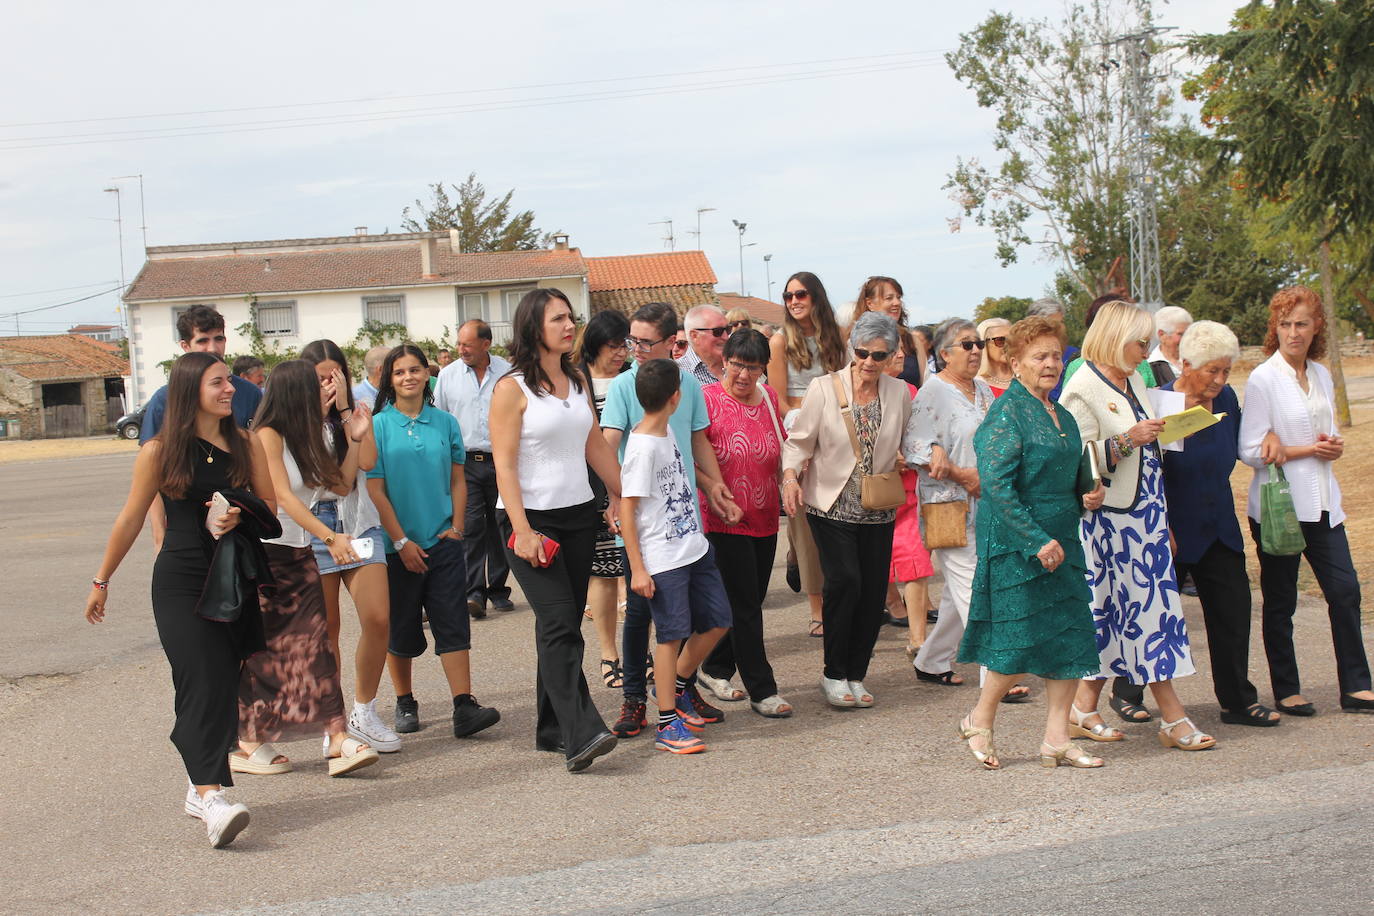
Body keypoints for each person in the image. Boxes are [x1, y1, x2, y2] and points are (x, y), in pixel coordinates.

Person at [85, 351, 278, 847]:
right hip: (179, 578)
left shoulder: (246, 442)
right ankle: (212, 798)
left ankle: (198, 785)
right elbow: (130, 518)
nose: (230, 389)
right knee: (200, 678)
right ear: (192, 389)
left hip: (231, 577)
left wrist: (237, 511)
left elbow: (270, 506)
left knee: (222, 680)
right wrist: (102, 580)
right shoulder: (159, 451)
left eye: (230, 381)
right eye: (218, 383)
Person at [1061, 301, 1214, 752]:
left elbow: (1152, 454)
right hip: (1108, 520)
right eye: (1140, 341)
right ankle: (1173, 717)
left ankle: (1083, 706)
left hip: (1144, 514)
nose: (1146, 351)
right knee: (1147, 616)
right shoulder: (1083, 384)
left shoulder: (1134, 380)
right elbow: (1076, 460)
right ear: (1114, 336)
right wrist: (1129, 439)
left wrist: (1160, 514)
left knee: (1119, 615)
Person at [955, 316, 1107, 770]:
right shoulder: (1007, 412)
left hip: (1064, 538)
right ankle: (979, 719)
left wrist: (1089, 491)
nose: (1050, 364)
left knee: (1069, 640)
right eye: (1039, 356)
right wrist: (1035, 541)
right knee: (1015, 643)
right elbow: (997, 487)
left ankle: (1057, 738)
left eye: (1056, 355)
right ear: (1015, 363)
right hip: (1019, 545)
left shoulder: (1059, 412)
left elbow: (1072, 470)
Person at [491, 289, 623, 772]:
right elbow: (504, 466)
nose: (570, 325)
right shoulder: (511, 389)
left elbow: (594, 444)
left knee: (558, 624)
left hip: (578, 515)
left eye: (571, 317)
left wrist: (621, 495)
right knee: (561, 624)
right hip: (531, 521)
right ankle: (581, 731)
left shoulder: (576, 378)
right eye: (558, 319)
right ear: (534, 328)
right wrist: (522, 529)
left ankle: (550, 727)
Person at [600, 301, 741, 740]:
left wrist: (716, 488)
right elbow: (608, 446)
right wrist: (612, 499)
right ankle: (639, 703)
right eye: (633, 341)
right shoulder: (627, 389)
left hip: (683, 525)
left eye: (645, 342)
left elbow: (696, 442)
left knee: (693, 620)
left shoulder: (687, 386)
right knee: (645, 618)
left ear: (670, 342)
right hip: (647, 529)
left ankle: (676, 692)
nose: (636, 349)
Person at [236, 360, 379, 778]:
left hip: (300, 552)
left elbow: (340, 485)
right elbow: (284, 497)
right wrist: (330, 537)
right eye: (319, 386)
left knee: (316, 644)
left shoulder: (315, 432)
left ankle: (337, 737)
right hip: (266, 555)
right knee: (266, 654)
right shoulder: (267, 436)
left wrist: (354, 438)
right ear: (297, 393)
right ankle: (247, 742)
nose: (328, 391)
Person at [1239, 285, 1372, 716]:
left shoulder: (1320, 374)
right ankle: (1286, 689)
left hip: (1324, 502)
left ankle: (1355, 686)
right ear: (1274, 329)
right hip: (1281, 508)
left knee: (1346, 590)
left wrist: (1331, 448)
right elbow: (1250, 449)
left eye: (1301, 324)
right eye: (1285, 324)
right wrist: (1302, 450)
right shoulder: (1263, 378)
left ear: (1317, 328)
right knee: (1282, 601)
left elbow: (1325, 434)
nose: (1293, 332)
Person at [365, 344, 501, 740]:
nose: (408, 377)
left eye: (414, 370)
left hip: (443, 541)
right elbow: (376, 489)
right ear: (388, 380)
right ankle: (405, 701)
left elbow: (458, 479)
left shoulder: (445, 422)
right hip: (396, 547)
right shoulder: (377, 426)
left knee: (452, 622)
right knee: (401, 629)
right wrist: (401, 540)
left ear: (427, 375)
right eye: (399, 372)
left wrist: (457, 527)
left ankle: (464, 705)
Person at [783, 311, 912, 708]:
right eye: (863, 352)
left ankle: (856, 673)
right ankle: (833, 673)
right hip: (830, 503)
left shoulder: (899, 392)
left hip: (878, 505)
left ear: (891, 355)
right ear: (852, 349)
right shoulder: (824, 388)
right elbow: (798, 442)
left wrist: (914, 455)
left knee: (873, 592)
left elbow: (910, 438)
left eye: (880, 354)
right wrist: (790, 477)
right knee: (845, 582)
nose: (870, 362)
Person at [1156, 322, 1278, 726]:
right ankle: (1129, 692)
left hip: (1218, 524)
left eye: (1226, 371)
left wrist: (1271, 438)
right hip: (1171, 529)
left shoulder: (1226, 397)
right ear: (1186, 363)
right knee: (1152, 614)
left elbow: (1243, 446)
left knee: (1233, 611)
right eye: (1213, 371)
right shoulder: (1162, 404)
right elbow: (1150, 473)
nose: (1220, 380)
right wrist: (1162, 527)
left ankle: (1237, 701)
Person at [904, 320, 1022, 696]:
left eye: (977, 344)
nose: (975, 351)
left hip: (988, 503)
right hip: (949, 507)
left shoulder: (984, 389)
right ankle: (998, 673)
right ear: (944, 354)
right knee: (977, 588)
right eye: (966, 344)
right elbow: (915, 448)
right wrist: (959, 472)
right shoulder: (932, 393)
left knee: (958, 596)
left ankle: (932, 659)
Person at [620, 359, 733, 753]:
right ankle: (667, 724)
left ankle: (679, 686)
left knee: (718, 620)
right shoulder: (641, 449)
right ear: (676, 397)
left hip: (694, 547)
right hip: (662, 558)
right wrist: (637, 568)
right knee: (670, 637)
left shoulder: (665, 430)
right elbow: (626, 510)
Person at [299, 339, 399, 752]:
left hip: (358, 522)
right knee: (327, 632)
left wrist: (343, 412)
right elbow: (321, 478)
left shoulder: (356, 413)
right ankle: (333, 721)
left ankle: (364, 709)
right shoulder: (295, 422)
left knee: (377, 618)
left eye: (334, 376)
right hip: (315, 528)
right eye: (321, 378)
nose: (328, 383)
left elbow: (369, 461)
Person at [695, 329, 793, 718]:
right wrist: (714, 489)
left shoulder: (768, 397)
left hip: (766, 515)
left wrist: (789, 480)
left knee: (747, 600)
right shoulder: (705, 400)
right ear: (724, 362)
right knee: (746, 605)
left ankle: (714, 668)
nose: (744, 375)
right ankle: (762, 688)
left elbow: (785, 444)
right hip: (723, 516)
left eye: (753, 368)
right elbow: (692, 452)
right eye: (737, 365)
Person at [140, 306, 265, 547]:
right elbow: (151, 480)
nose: (213, 348)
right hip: (185, 529)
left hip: (236, 530)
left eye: (218, 339)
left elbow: (261, 472)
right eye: (203, 340)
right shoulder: (163, 400)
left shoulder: (248, 392)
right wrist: (159, 534)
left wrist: (248, 515)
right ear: (185, 346)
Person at [767, 271, 847, 638]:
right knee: (805, 525)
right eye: (788, 296)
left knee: (840, 519)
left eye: (801, 294)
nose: (794, 301)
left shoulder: (838, 338)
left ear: (816, 297)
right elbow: (780, 399)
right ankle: (817, 608)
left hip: (838, 434)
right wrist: (803, 432)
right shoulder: (780, 342)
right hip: (799, 432)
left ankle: (830, 588)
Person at [435, 319, 515, 621]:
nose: (461, 349)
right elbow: (441, 418)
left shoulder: (506, 372)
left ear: (486, 344)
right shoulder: (448, 375)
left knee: (501, 524)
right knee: (470, 527)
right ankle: (474, 592)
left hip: (502, 461)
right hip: (466, 462)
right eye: (459, 343)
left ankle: (498, 588)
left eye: (467, 344)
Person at [577, 310, 631, 689]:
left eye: (625, 345)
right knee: (604, 573)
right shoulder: (575, 380)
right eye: (614, 346)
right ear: (596, 344)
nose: (621, 353)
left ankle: (640, 649)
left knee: (636, 570)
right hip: (592, 487)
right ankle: (609, 653)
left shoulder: (634, 377)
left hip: (635, 483)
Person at [880, 338, 934, 642]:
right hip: (871, 492)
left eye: (903, 348)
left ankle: (918, 640)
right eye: (894, 349)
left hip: (909, 489)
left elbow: (924, 435)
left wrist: (910, 455)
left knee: (916, 561)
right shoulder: (855, 393)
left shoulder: (910, 391)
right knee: (875, 565)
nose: (902, 354)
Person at [849, 276, 926, 387]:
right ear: (870, 303)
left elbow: (924, 381)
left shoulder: (912, 341)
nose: (897, 303)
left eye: (899, 298)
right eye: (889, 298)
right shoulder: (854, 341)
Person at [681, 304, 731, 386]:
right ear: (694, 336)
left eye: (728, 330)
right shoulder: (677, 374)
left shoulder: (739, 367)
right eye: (718, 331)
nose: (726, 337)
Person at [1148, 306, 1192, 386]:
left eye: (1189, 333)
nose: (1187, 338)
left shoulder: (1197, 359)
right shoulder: (1150, 367)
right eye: (1181, 334)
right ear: (1162, 335)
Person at [975, 317, 1013, 396]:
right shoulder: (975, 385)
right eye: (1000, 340)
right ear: (983, 344)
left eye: (1012, 339)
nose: (1008, 345)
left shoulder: (1029, 378)